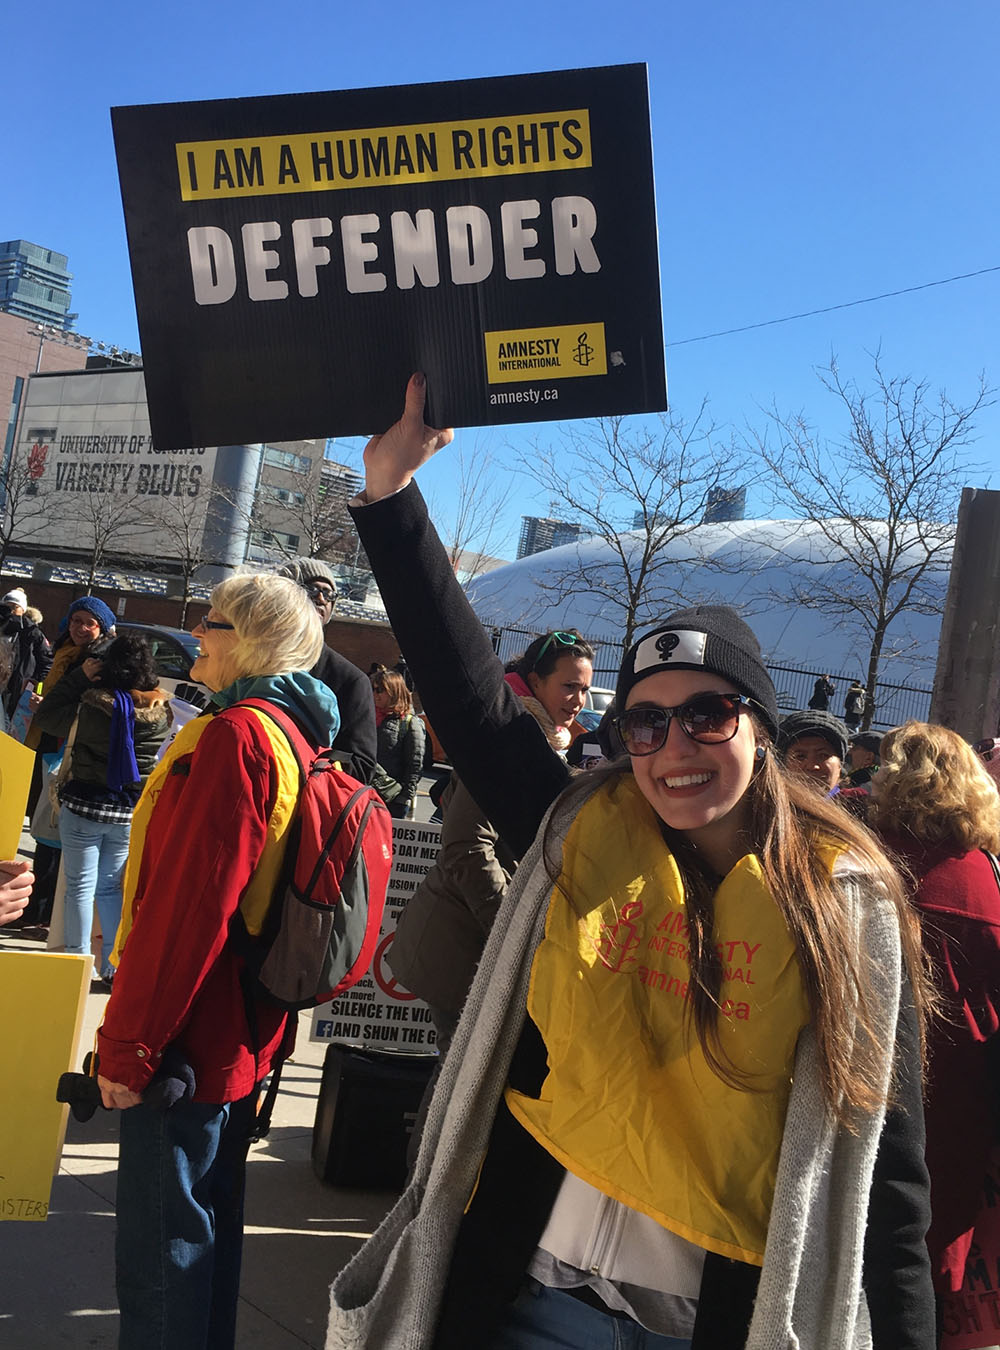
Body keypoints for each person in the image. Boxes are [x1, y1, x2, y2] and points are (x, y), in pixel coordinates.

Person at [326, 376, 936, 1350]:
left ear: (763, 734)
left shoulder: (848, 910)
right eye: (644, 721)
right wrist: (392, 493)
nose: (673, 744)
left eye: (707, 714)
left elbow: (891, 1180)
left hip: (715, 1318)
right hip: (528, 1295)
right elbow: (479, 703)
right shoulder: (584, 831)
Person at [95, 574, 337, 1350]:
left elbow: (187, 913)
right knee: (204, 1240)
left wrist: (128, 1047)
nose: (199, 632)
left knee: (163, 1258)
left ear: (253, 641)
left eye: (215, 621)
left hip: (183, 1043)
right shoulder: (294, 735)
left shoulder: (237, 736)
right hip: (240, 1027)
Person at [389, 634, 593, 1155]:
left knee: (465, 1077)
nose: (579, 700)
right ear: (536, 682)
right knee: (459, 1079)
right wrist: (515, 929)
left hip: (479, 944)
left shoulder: (550, 741)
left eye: (586, 689)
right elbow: (464, 849)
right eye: (569, 686)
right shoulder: (506, 740)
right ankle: (419, 1202)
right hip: (464, 946)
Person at [870, 723, 1000, 1337]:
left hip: (874, 1057)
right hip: (963, 1071)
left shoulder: (865, 856)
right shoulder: (987, 873)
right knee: (934, 1227)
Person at [29, 632, 172, 985]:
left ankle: (77, 961)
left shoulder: (90, 707)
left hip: (84, 806)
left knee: (79, 885)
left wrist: (79, 677)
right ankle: (112, 965)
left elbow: (47, 715)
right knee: (110, 888)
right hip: (127, 811)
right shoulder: (162, 714)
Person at [20, 596, 118, 929]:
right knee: (43, 826)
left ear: (101, 627)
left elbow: (81, 709)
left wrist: (48, 710)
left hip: (70, 750)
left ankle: (45, 912)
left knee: (55, 832)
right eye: (75, 620)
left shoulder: (98, 661)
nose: (79, 628)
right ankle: (39, 907)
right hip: (50, 745)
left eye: (88, 622)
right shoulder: (67, 653)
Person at [275, 557, 377, 783]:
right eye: (311, 589)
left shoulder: (350, 680)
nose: (322, 598)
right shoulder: (249, 660)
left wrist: (288, 760)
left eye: (329, 594)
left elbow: (361, 766)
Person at [371, 668, 426, 818]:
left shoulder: (410, 722)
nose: (375, 694)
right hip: (365, 794)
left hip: (392, 801)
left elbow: (414, 766)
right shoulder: (367, 716)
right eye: (373, 689)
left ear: (394, 691)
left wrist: (402, 800)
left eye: (380, 690)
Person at [0, 586, 52, 720]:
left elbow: (46, 662)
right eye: (7, 606)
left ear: (23, 610)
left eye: (15, 607)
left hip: (17, 691)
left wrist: (32, 682)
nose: (11, 610)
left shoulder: (31, 632)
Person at [775, 709, 849, 795]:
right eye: (800, 756)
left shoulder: (860, 805)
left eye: (823, 755)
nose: (812, 766)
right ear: (782, 766)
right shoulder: (762, 806)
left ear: (840, 766)